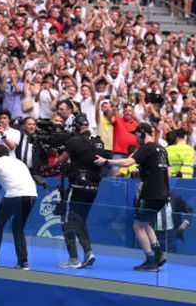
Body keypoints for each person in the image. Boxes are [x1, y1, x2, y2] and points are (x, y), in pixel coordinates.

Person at [99, 122, 169, 269]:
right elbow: (166, 172)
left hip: (150, 193)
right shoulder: (161, 149)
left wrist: (106, 162)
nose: (135, 138)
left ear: (143, 133)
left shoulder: (147, 148)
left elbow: (127, 162)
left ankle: (150, 260)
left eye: (137, 134)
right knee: (146, 222)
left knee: (137, 226)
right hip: (163, 194)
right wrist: (141, 175)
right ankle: (159, 254)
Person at [56, 114, 106, 269]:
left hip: (77, 187)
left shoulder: (73, 141)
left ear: (76, 127)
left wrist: (60, 152)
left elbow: (60, 161)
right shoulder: (99, 142)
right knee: (79, 220)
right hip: (93, 188)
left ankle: (74, 258)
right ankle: (88, 252)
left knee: (67, 220)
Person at [0, 142, 37, 269]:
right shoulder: (18, 161)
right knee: (18, 228)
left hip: (15, 196)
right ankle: (23, 263)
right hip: (32, 195)